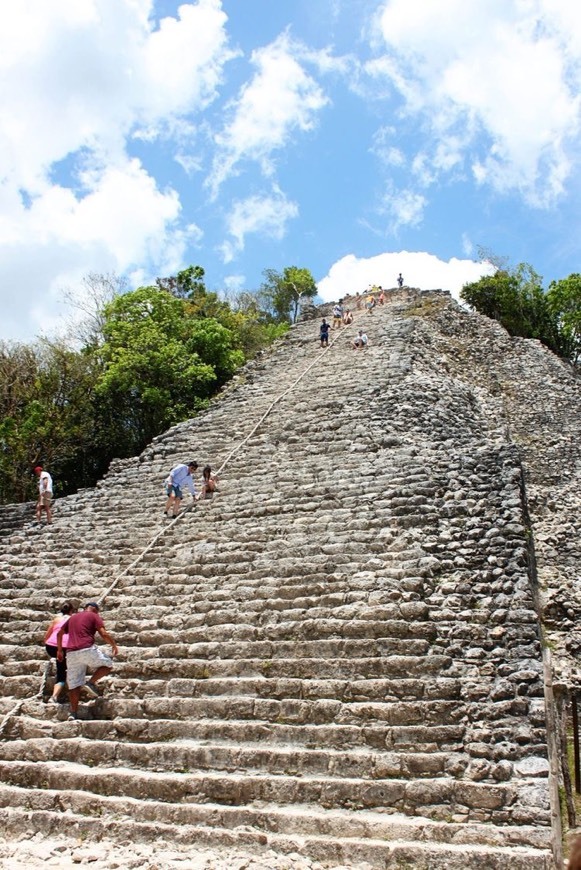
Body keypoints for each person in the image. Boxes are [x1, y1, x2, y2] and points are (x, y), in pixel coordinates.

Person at [57, 602, 118, 720]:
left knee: (74, 684)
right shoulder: (94, 615)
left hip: (71, 653)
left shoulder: (72, 617)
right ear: (95, 609)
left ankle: (73, 713)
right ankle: (90, 683)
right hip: (86, 649)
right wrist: (113, 645)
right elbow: (103, 633)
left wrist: (60, 650)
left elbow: (59, 634)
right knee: (108, 665)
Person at [44, 601, 76, 703]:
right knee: (61, 672)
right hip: (64, 648)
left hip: (51, 647)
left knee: (61, 665)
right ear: (72, 611)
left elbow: (47, 636)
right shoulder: (74, 619)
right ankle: (54, 696)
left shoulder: (56, 619)